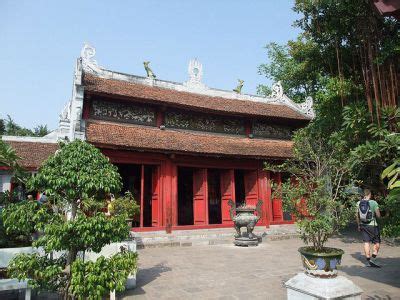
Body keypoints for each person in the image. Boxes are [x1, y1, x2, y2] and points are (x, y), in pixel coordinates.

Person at [356, 189, 381, 267]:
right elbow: (378, 215)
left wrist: (358, 225)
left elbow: (357, 216)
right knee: (377, 242)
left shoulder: (358, 203)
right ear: (369, 194)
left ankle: (368, 260)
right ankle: (373, 258)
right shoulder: (373, 203)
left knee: (366, 242)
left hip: (363, 225)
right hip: (373, 225)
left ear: (363, 195)